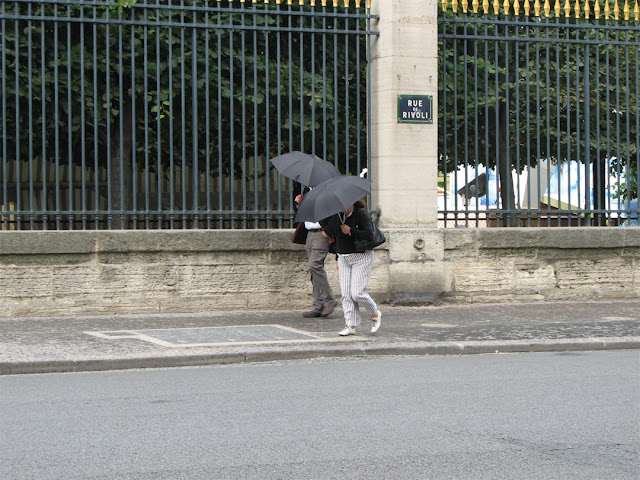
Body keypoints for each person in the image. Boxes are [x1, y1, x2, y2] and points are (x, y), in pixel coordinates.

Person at [322, 199, 382, 336]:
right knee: (346, 294)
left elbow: (369, 234)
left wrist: (351, 231)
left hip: (361, 256)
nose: (342, 207)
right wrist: (338, 257)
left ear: (352, 203)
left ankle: (374, 313)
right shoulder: (338, 216)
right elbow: (334, 236)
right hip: (344, 256)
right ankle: (350, 325)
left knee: (357, 293)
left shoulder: (361, 214)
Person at [295, 189, 338, 318]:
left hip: (321, 233)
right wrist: (299, 204)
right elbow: (303, 215)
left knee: (315, 265)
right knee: (313, 270)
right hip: (310, 234)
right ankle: (318, 305)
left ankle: (329, 300)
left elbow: (335, 214)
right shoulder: (307, 191)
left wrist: (328, 231)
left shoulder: (326, 191)